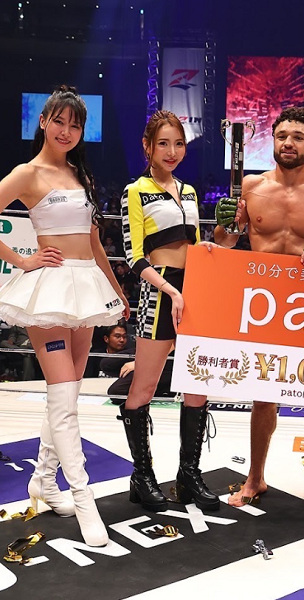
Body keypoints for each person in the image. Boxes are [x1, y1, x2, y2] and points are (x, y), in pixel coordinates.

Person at [0, 85, 128, 546]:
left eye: (75, 125)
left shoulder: (80, 174)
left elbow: (93, 242)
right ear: (43, 121)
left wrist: (116, 291)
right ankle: (84, 498)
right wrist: (22, 259)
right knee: (63, 396)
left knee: (66, 397)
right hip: (50, 289)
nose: (66, 131)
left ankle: (43, 480)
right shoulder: (27, 173)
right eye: (59, 121)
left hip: (86, 289)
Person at [214, 106, 304, 511]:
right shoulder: (251, 186)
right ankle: (255, 477)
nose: (288, 143)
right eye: (282, 136)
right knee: (263, 397)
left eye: (298, 137)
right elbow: (225, 241)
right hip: (264, 302)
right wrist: (224, 225)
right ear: (272, 140)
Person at [119, 109, 219, 513]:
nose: (172, 151)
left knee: (197, 387)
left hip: (194, 289)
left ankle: (189, 474)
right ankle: (142, 476)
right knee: (144, 388)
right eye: (163, 143)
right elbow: (133, 256)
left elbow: (191, 245)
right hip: (157, 291)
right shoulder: (136, 190)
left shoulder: (189, 191)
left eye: (178, 144)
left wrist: (212, 245)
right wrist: (170, 290)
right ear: (148, 146)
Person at [99, 322, 174, 404]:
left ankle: (163, 388)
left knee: (116, 393)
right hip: (148, 346)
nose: (121, 340)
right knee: (106, 363)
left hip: (166, 359)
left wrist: (140, 364)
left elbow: (174, 343)